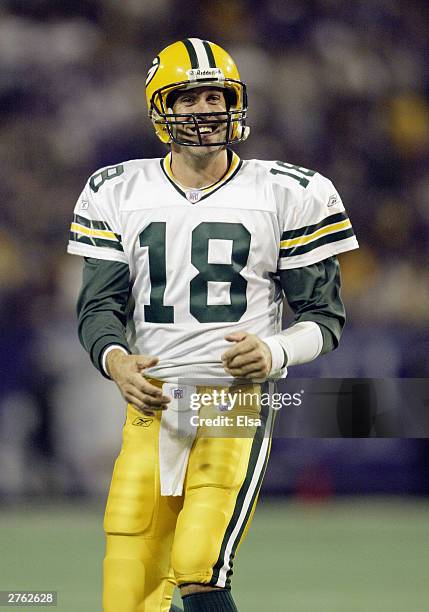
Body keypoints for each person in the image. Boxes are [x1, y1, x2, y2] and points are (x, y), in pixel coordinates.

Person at [67, 38, 358, 612]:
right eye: (189, 97)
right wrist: (115, 359)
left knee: (199, 566)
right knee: (128, 590)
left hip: (232, 400)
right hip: (150, 404)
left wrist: (273, 353)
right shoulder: (115, 189)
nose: (205, 109)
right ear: (160, 109)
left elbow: (325, 318)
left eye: (216, 96)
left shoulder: (290, 191)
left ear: (236, 103)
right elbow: (98, 307)